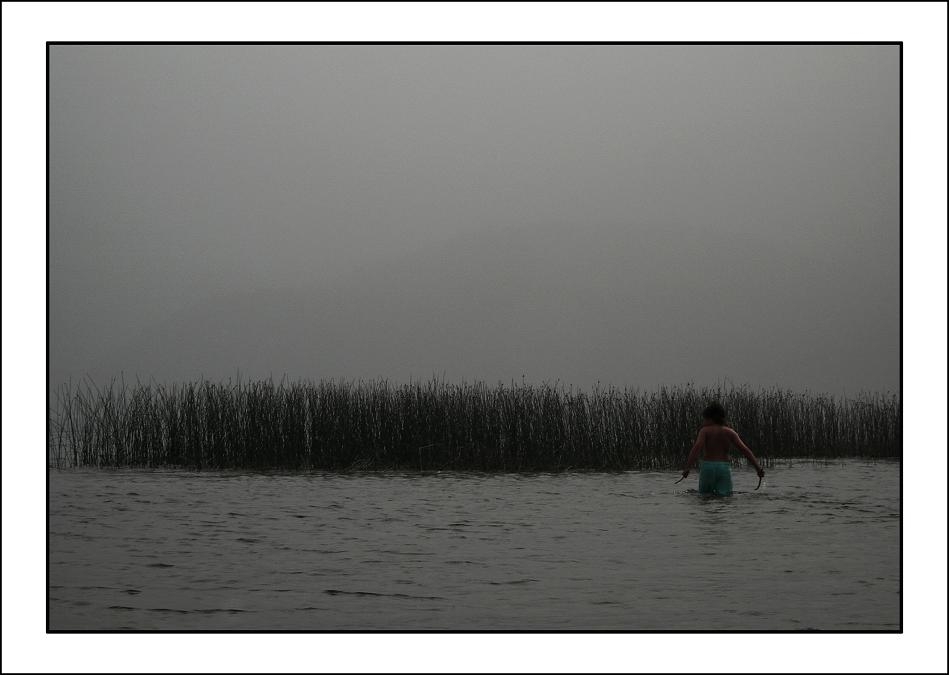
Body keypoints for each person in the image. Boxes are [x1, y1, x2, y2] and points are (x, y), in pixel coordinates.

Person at [680, 402, 765, 496]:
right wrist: (758, 468)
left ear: (710, 418)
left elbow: (696, 448)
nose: (703, 422)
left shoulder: (705, 431)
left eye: (704, 419)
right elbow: (745, 450)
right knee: (725, 496)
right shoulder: (730, 432)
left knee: (704, 495)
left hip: (708, 467)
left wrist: (687, 468)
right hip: (723, 468)